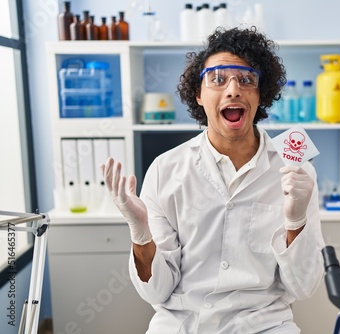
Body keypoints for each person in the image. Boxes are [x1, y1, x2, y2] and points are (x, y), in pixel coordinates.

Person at [101, 26, 325, 333]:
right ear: (198, 94)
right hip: (183, 323)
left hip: (264, 325)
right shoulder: (166, 170)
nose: (233, 90)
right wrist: (141, 234)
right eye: (218, 80)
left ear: (262, 94)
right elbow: (156, 292)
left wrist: (296, 222)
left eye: (247, 80)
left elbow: (304, 287)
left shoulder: (296, 173)